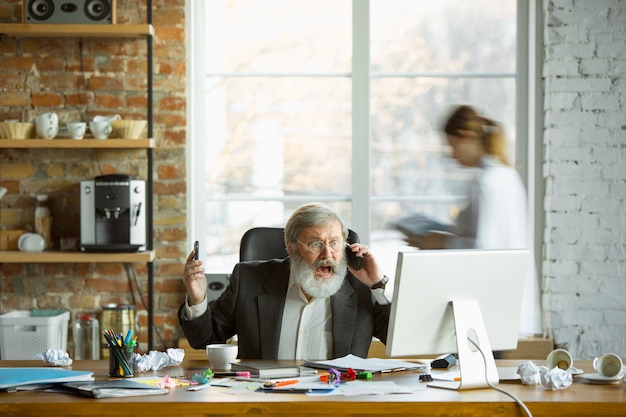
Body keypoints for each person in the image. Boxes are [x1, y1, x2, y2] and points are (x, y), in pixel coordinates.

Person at [179, 203, 392, 360]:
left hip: (336, 405)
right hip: (266, 403)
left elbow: (396, 340)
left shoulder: (361, 288)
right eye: (316, 244)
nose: (327, 254)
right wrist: (197, 299)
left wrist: (378, 286)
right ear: (291, 247)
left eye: (335, 243)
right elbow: (205, 339)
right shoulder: (249, 280)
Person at [405, 104, 542, 336]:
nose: (451, 153)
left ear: (466, 137)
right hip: (512, 299)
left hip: (490, 304)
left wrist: (438, 242)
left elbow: (484, 249)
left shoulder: (485, 182)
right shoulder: (508, 175)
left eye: (452, 144)